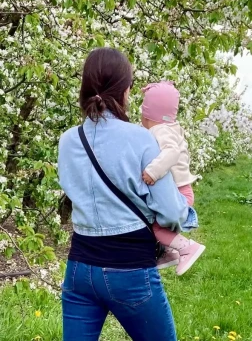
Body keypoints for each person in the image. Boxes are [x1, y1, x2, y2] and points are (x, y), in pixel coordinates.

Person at [58, 48, 189, 341]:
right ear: (126, 90)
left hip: (79, 269)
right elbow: (169, 212)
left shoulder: (67, 140)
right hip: (129, 269)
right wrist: (185, 208)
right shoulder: (141, 138)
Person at [140, 81, 206, 276]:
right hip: (182, 190)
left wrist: (153, 171)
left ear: (147, 114)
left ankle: (187, 248)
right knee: (158, 225)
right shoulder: (170, 128)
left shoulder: (159, 130)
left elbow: (172, 152)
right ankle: (168, 252)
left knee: (156, 227)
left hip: (178, 193)